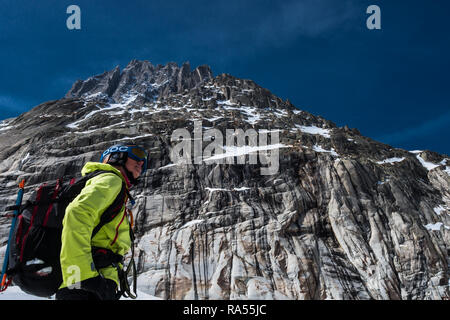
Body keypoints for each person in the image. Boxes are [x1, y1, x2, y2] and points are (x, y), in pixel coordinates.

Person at [55, 144, 148, 300]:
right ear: (115, 157)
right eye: (137, 156)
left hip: (93, 281)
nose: (142, 163)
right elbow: (77, 214)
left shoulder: (108, 184)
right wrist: (83, 275)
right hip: (88, 282)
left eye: (144, 163)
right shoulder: (111, 179)